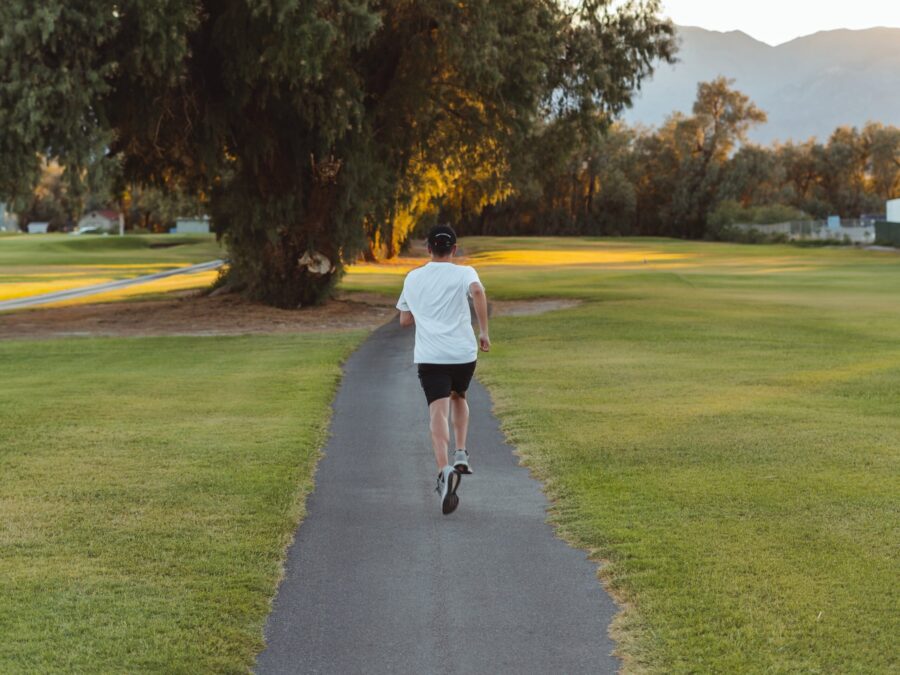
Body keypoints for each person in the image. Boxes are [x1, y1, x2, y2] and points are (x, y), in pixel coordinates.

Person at [396, 224, 490, 515]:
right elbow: (477, 290)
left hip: (431, 355)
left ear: (428, 249)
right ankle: (461, 452)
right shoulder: (465, 273)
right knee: (459, 395)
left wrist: (423, 311)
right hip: (463, 353)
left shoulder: (413, 277)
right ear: (454, 248)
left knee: (438, 410)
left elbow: (404, 320)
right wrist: (484, 331)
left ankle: (444, 470)